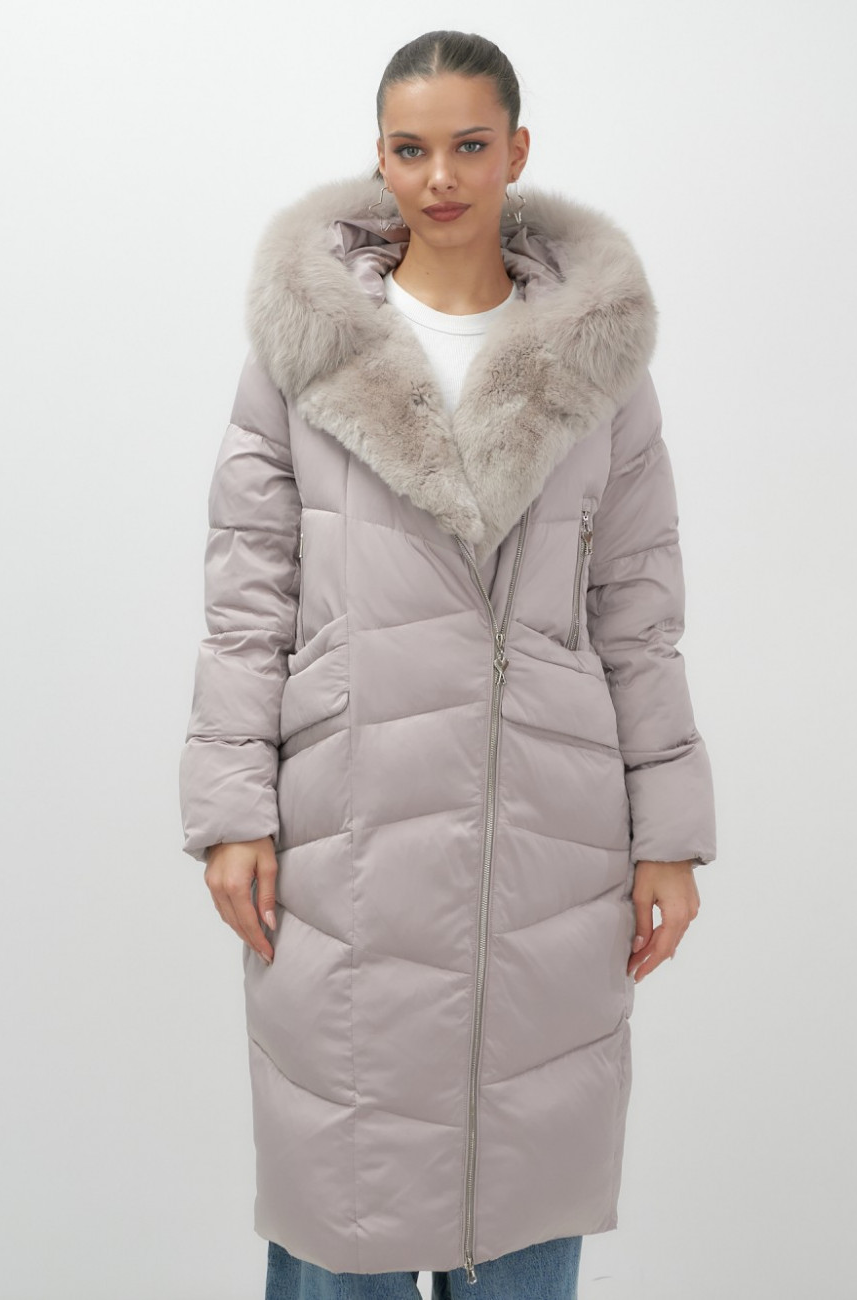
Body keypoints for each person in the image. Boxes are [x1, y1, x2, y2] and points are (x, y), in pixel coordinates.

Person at [179, 29, 717, 1300]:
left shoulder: (600, 365)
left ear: (516, 152)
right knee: (343, 1196)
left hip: (547, 834)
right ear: (379, 158)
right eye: (410, 149)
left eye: (469, 145)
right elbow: (248, 594)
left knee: (525, 1169)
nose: (439, 177)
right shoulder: (303, 354)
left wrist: (668, 835)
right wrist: (231, 808)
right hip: (347, 825)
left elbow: (638, 609)